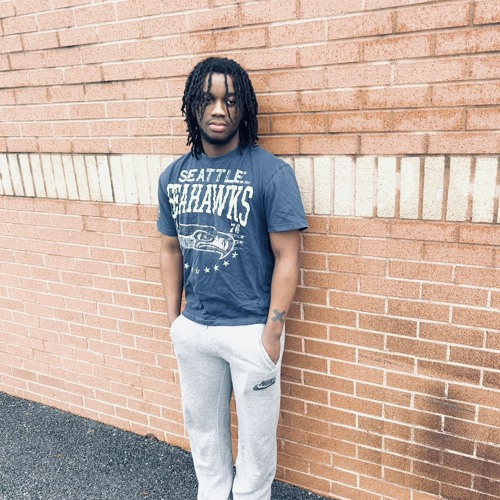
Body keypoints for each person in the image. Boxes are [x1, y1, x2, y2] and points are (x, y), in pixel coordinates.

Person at [157, 57, 308, 500]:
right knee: (203, 433)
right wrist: (175, 322)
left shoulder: (271, 173)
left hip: (250, 330)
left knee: (257, 447)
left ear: (244, 108)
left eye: (230, 100)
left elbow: (287, 256)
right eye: (208, 99)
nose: (219, 109)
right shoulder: (173, 177)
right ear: (193, 105)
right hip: (195, 329)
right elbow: (170, 249)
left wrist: (272, 331)